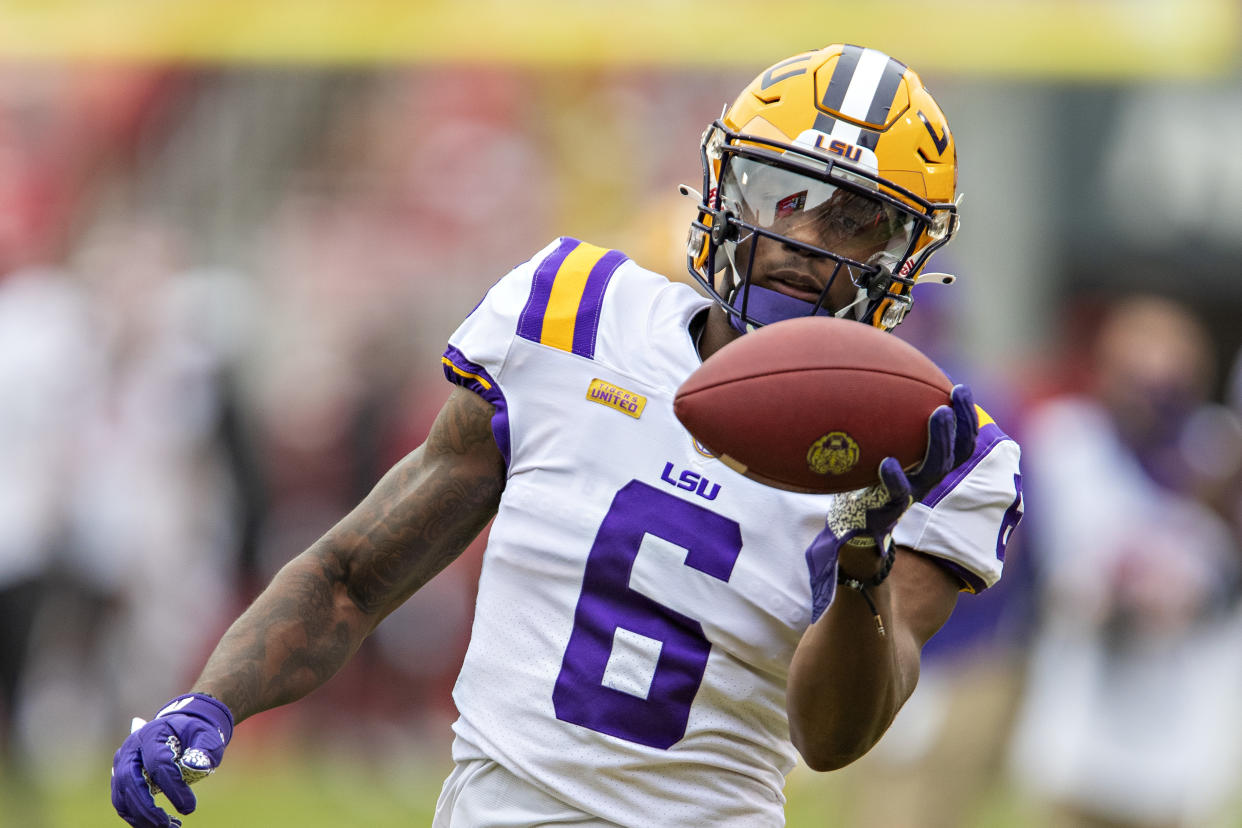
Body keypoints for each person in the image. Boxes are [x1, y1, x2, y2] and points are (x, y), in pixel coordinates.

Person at [111, 44, 1023, 828]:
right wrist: (212, 700)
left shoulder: (930, 444)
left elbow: (834, 739)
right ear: (726, 187)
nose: (803, 240)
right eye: (785, 193)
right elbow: (354, 574)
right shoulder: (572, 315)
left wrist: (862, 556)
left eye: (855, 220)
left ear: (905, 254)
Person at [1007, 296, 1242, 828]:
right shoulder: (1066, 441)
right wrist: (1095, 592)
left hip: (1183, 715)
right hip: (1080, 706)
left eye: (1169, 376)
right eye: (1138, 373)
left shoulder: (1218, 451)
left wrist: (1198, 594)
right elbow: (1023, 564)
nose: (1153, 394)